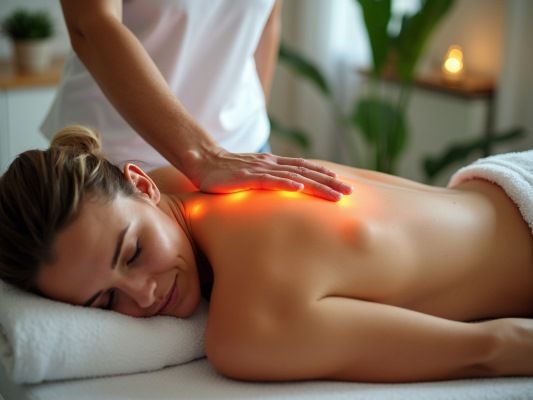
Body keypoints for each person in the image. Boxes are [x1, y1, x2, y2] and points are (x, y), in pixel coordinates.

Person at [1, 125, 533, 383]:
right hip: (502, 183)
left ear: (142, 185)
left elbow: (493, 348)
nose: (142, 295)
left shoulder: (243, 332)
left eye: (134, 252)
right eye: (104, 302)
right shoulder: (191, 178)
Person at [41, 0, 352, 201]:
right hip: (115, 164)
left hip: (244, 151)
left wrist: (248, 127)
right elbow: (91, 24)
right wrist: (205, 155)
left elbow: (268, 19)